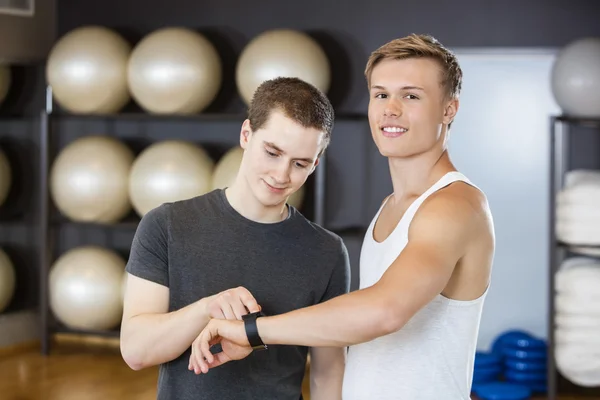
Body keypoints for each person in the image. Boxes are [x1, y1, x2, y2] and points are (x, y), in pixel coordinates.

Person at [189, 33, 496, 400]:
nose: (390, 109)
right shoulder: (392, 206)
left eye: (411, 96)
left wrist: (253, 331)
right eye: (381, 94)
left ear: (449, 109)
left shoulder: (455, 205)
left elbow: (385, 311)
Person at [120, 77, 351, 400]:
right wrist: (206, 309)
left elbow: (328, 373)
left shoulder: (327, 252)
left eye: (300, 164)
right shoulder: (167, 225)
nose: (282, 175)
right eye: (272, 152)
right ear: (246, 134)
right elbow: (136, 351)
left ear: (315, 164)